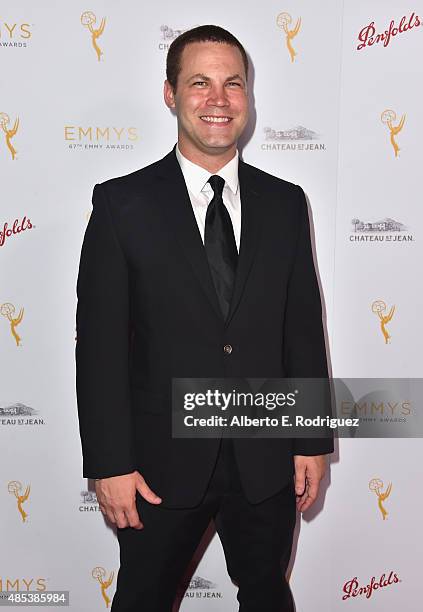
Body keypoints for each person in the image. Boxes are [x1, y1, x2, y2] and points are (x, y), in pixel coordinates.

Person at [75, 24, 333, 612]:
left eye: (232, 84)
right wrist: (110, 463)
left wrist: (312, 439)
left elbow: (302, 329)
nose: (218, 99)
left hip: (265, 460)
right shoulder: (122, 205)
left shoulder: (286, 203)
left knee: (268, 597)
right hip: (160, 468)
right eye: (200, 83)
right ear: (170, 94)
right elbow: (100, 349)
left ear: (249, 96)